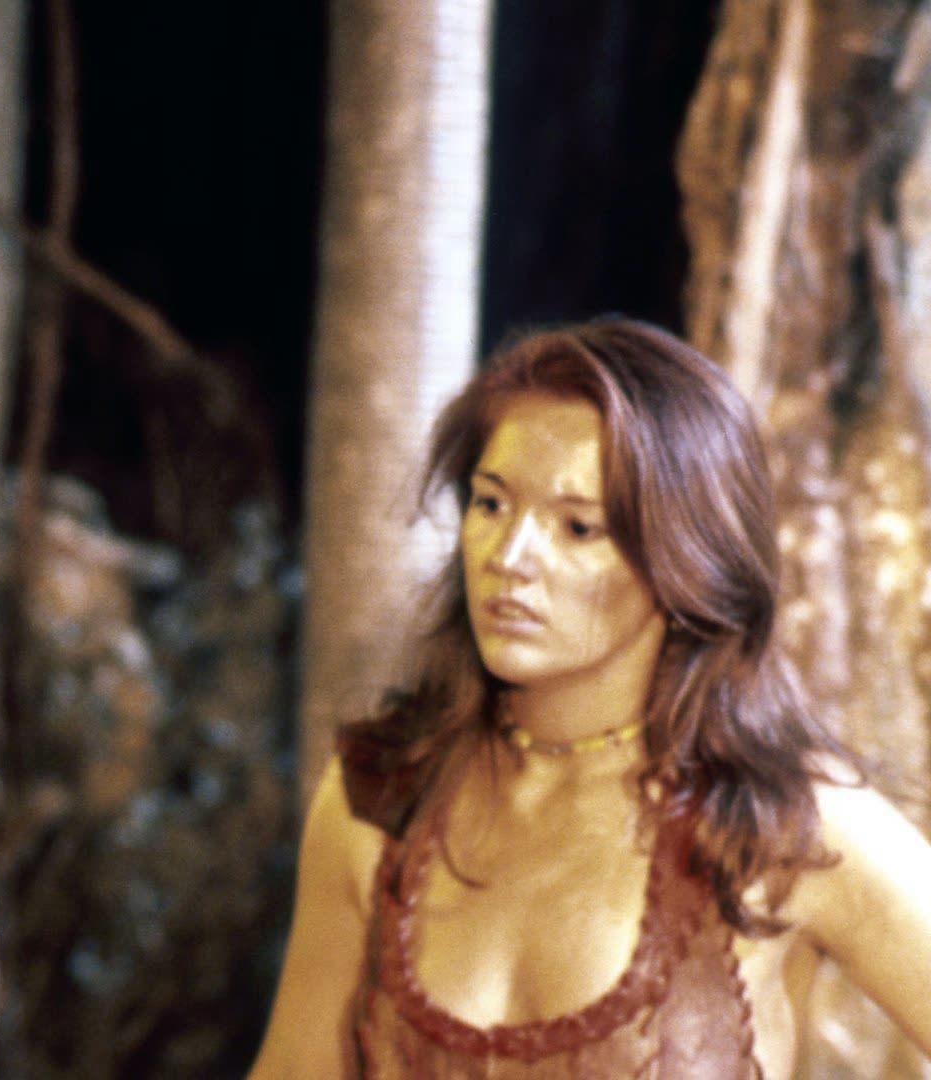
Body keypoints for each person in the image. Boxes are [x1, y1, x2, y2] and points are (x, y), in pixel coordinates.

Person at [250, 317, 931, 1077]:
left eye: (578, 527)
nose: (510, 557)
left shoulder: (786, 824)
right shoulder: (381, 795)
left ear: (685, 558)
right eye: (490, 504)